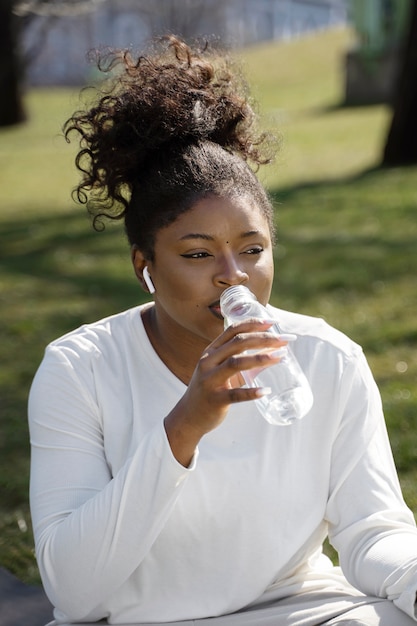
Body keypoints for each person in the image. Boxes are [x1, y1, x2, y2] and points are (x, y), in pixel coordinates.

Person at [28, 36, 417, 626]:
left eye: (252, 249)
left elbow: (373, 533)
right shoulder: (79, 369)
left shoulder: (327, 358)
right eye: (197, 253)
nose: (232, 277)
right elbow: (75, 593)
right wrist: (184, 426)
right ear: (145, 267)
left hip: (304, 612)